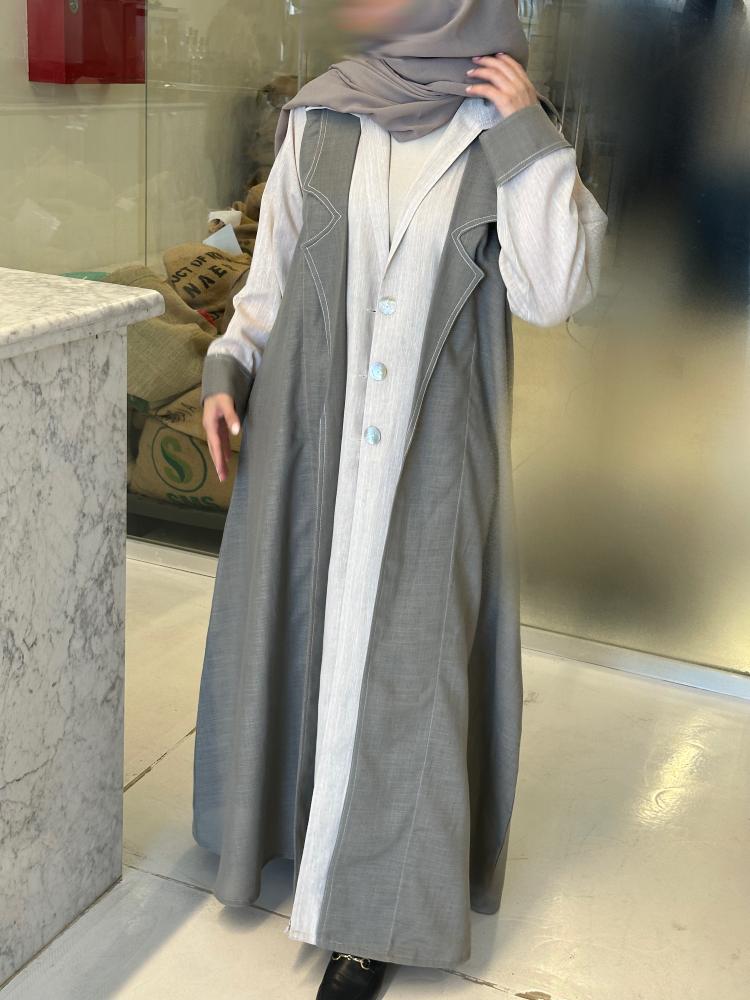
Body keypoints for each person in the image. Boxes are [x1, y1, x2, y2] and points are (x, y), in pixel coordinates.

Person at [195, 2, 609, 998]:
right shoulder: (321, 115)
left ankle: (370, 917)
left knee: (412, 670)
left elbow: (555, 293)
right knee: (312, 636)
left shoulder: (499, 124)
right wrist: (226, 366)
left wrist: (528, 139)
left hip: (435, 457)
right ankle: (303, 831)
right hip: (310, 439)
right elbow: (271, 278)